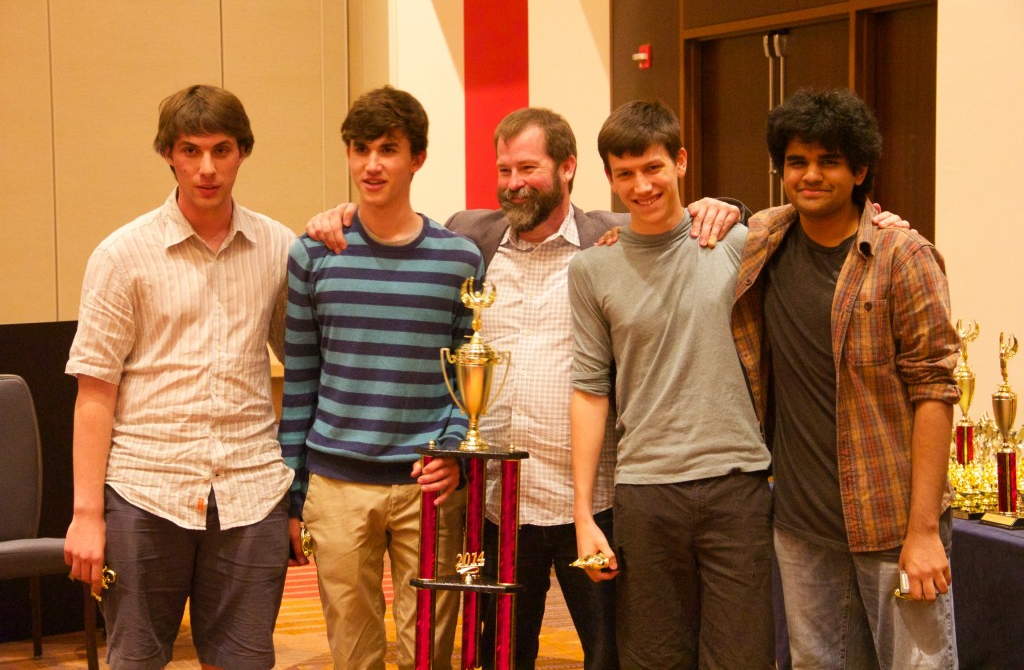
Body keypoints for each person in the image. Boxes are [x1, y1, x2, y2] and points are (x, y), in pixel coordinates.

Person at [305, 106, 742, 669]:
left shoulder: (611, 236)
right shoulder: (470, 238)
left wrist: (727, 207)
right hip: (498, 504)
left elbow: (675, 213)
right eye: (504, 169)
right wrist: (339, 215)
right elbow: (395, 224)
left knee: (611, 654)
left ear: (568, 168)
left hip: (595, 501)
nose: (513, 183)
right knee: (498, 657)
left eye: (528, 168)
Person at [63, 84, 295, 669]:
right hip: (145, 492)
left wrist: (304, 491)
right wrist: (86, 515)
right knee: (136, 661)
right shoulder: (122, 255)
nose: (207, 168)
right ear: (169, 153)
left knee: (245, 662)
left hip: (252, 492)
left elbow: (310, 369)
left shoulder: (279, 247)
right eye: (191, 151)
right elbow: (95, 393)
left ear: (243, 151)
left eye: (221, 149)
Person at [732, 88, 959, 668]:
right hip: (802, 524)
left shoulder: (903, 256)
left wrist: (925, 530)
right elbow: (691, 222)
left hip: (890, 522)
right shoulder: (766, 238)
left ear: (859, 170)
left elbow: (935, 391)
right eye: (796, 162)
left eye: (828, 161)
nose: (810, 175)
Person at [276, 85, 483, 670]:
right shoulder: (313, 255)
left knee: (431, 652)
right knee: (352, 650)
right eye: (360, 148)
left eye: (388, 149)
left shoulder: (460, 258)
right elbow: (301, 383)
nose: (371, 164)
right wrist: (295, 495)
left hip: (430, 485)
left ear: (416, 158)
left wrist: (452, 451)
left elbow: (468, 368)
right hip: (336, 485)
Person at [569, 100, 776, 668]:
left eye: (653, 167)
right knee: (653, 658)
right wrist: (585, 514)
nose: (642, 185)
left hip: (737, 484)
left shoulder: (737, 243)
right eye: (625, 173)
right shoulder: (591, 270)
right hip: (645, 492)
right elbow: (590, 390)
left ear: (681, 161)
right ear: (608, 179)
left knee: (742, 658)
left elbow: (806, 217)